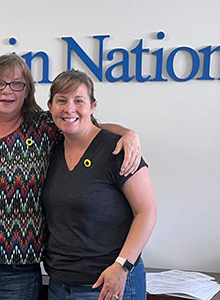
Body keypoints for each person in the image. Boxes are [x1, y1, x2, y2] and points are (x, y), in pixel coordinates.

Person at [0, 55, 142, 300]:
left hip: (18, 266)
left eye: (17, 84)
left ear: (27, 91)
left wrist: (129, 134)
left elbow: (88, 127)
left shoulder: (42, 126)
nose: (7, 91)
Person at [42, 69, 157, 300]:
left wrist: (122, 266)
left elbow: (146, 212)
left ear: (93, 106)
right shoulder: (51, 149)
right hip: (59, 284)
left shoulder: (118, 150)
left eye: (79, 101)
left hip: (108, 283)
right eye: (61, 101)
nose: (69, 109)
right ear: (50, 106)